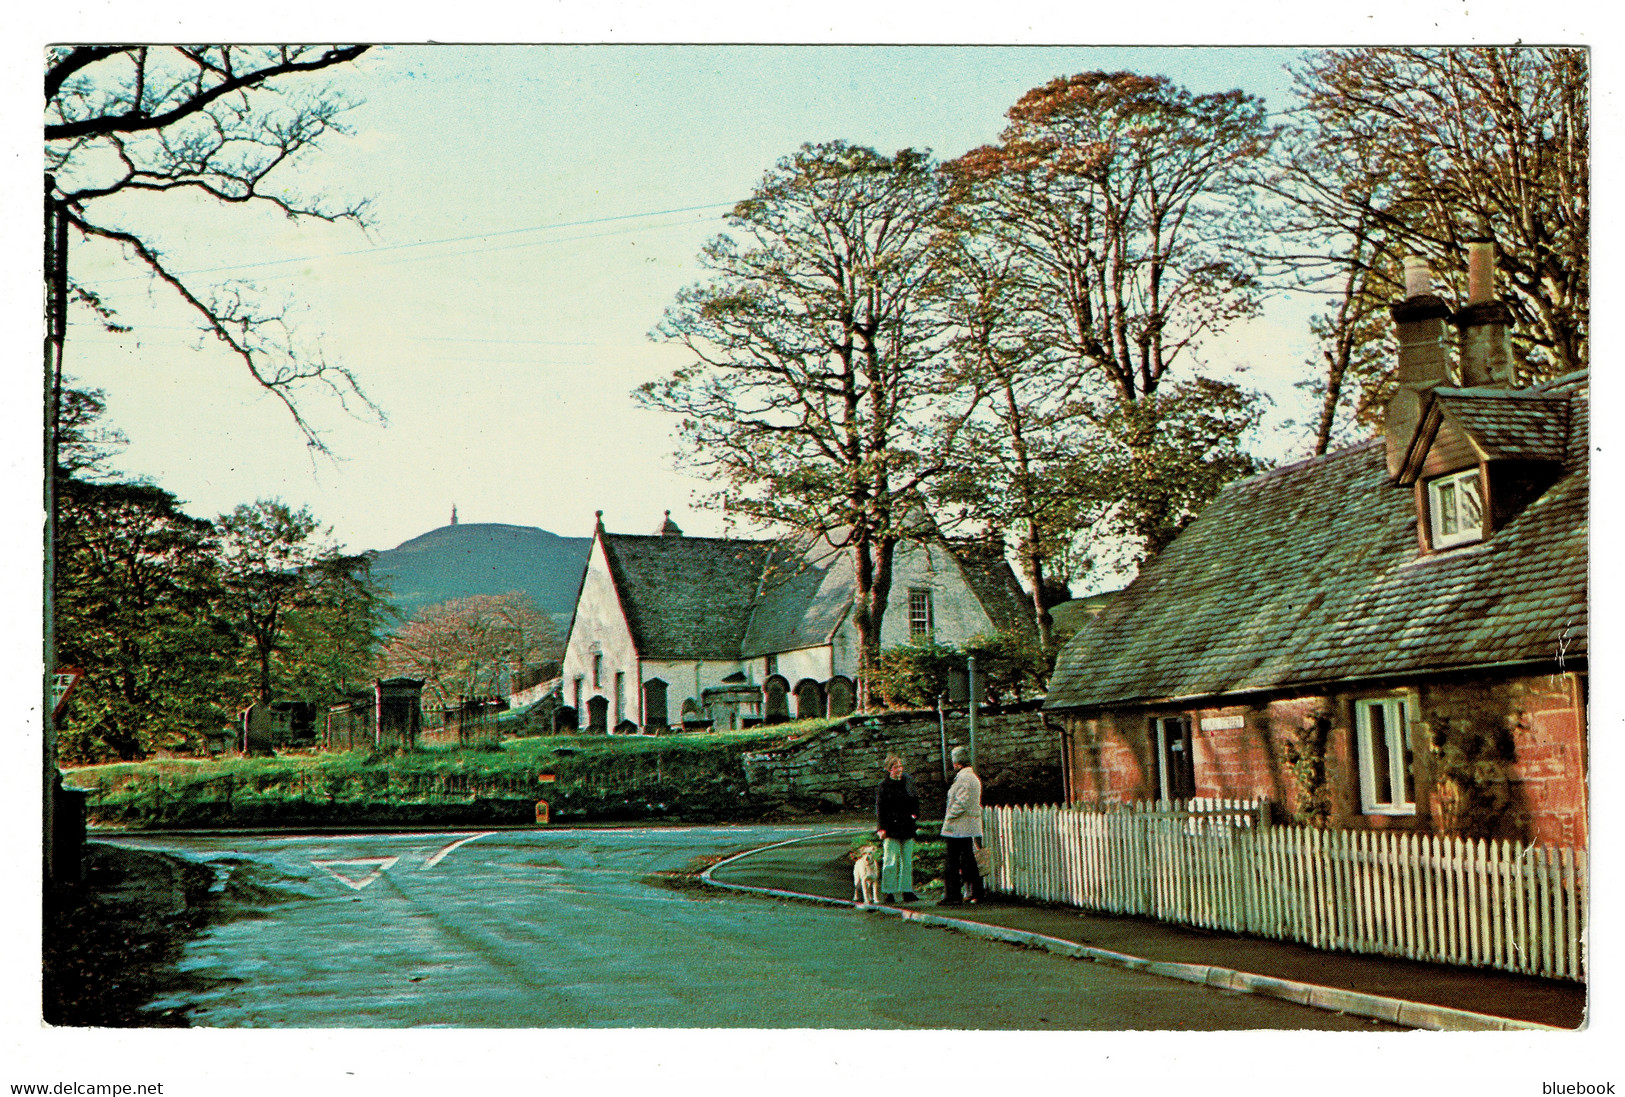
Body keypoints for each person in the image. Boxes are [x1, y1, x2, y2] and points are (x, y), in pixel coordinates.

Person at [939, 745, 985, 905]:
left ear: (957, 764)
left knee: (952, 861)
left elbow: (961, 802)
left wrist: (949, 816)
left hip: (958, 826)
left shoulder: (965, 779)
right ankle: (975, 892)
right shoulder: (972, 777)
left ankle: (952, 895)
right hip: (967, 825)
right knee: (968, 859)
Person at [874, 754, 919, 903]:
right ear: (889, 769)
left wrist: (915, 815)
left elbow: (915, 800)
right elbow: (880, 808)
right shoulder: (884, 786)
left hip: (907, 825)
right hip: (891, 827)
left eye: (900, 766)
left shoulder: (908, 782)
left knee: (907, 861)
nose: (899, 770)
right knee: (890, 861)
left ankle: (907, 890)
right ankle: (889, 891)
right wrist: (881, 828)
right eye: (895, 767)